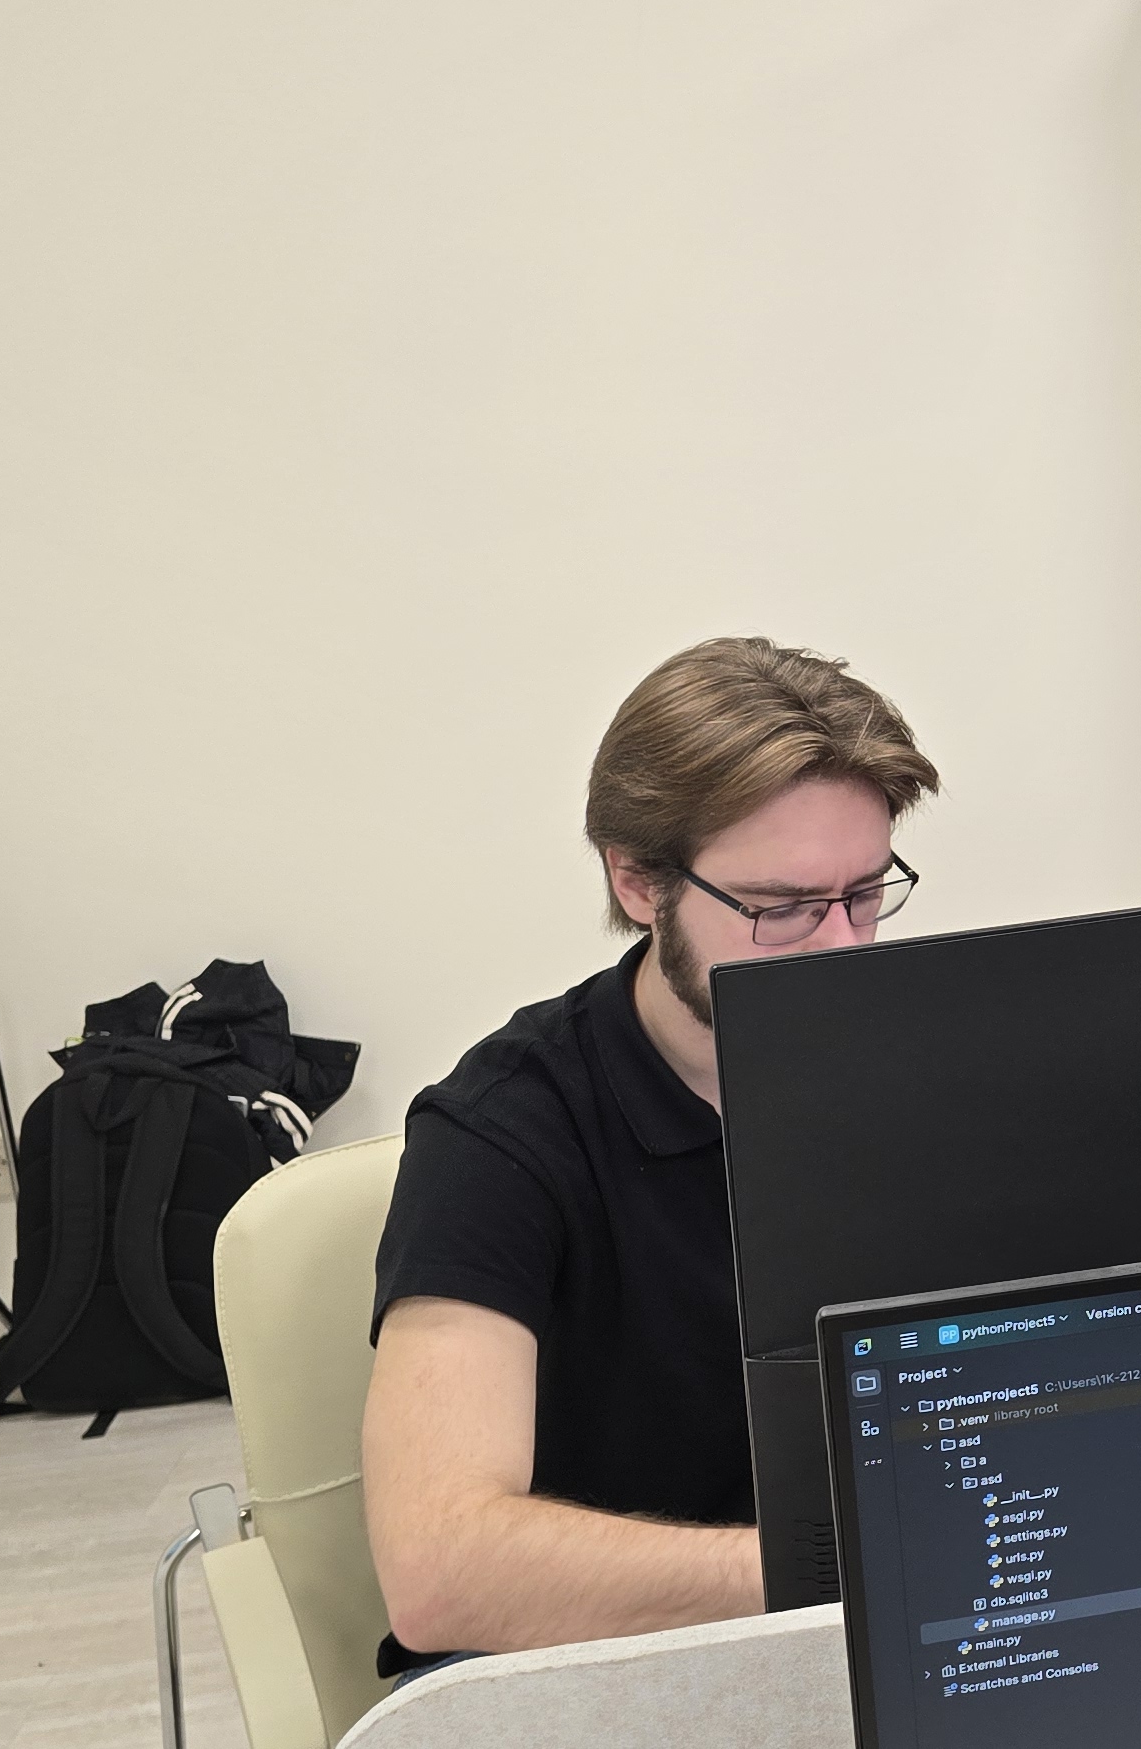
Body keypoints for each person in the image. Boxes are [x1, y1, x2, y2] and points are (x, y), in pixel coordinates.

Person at [360, 638, 938, 1664]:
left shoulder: (926, 1073)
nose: (842, 949)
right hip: (593, 1664)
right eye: (783, 909)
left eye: (863, 894)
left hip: (892, 1637)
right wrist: (850, 1572)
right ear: (636, 881)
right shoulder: (498, 1132)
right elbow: (440, 1571)